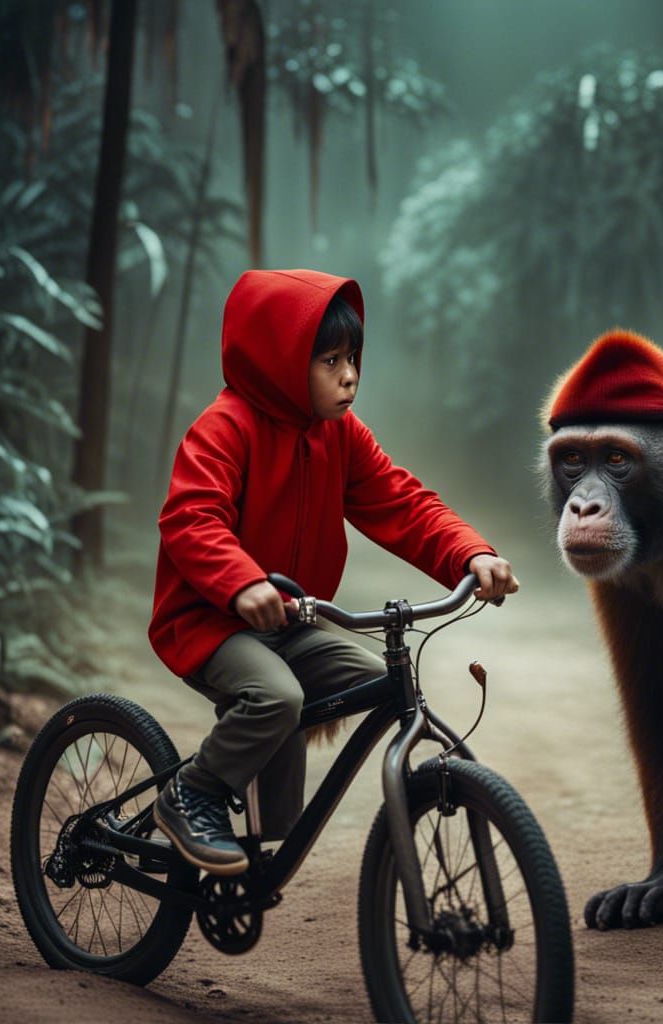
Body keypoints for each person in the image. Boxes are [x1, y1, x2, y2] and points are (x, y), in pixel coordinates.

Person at [148, 269, 518, 875]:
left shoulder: (340, 436)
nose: (349, 376)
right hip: (209, 620)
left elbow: (403, 503)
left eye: (353, 358)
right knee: (275, 696)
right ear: (280, 361)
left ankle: (269, 831)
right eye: (329, 361)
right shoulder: (224, 428)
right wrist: (242, 583)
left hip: (290, 618)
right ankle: (193, 794)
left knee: (374, 680)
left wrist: (470, 554)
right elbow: (192, 519)